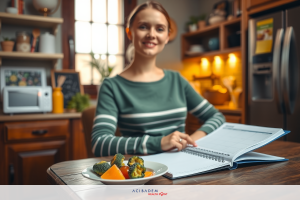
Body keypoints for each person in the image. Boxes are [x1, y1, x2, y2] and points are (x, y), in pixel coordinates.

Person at [91, 1, 225, 157]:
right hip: (143, 171)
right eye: (143, 27)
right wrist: (159, 143)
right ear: (129, 33)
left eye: (160, 29)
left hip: (183, 166)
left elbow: (217, 117)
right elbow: (99, 143)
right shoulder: (112, 86)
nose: (151, 34)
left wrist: (191, 140)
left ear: (167, 37)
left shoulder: (177, 80)